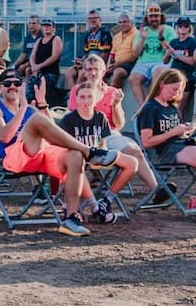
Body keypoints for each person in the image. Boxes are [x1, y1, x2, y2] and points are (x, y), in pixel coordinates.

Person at [0, 68, 118, 237]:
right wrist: (24, 107)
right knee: (37, 119)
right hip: (14, 157)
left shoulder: (31, 110)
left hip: (41, 154)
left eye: (16, 83)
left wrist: (42, 103)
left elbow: (54, 131)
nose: (12, 86)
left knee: (75, 156)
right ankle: (89, 152)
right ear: (0, 87)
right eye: (7, 83)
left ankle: (70, 218)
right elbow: (4, 136)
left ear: (22, 86)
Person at [137, 68, 196, 205]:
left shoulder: (171, 106)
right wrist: (174, 132)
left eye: (180, 90)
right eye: (174, 89)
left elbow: (176, 133)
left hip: (180, 144)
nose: (177, 94)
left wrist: (188, 129)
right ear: (162, 84)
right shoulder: (150, 108)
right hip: (164, 153)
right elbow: (147, 142)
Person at [59, 81, 137, 223]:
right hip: (77, 157)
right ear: (76, 99)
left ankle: (106, 200)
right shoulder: (69, 120)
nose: (86, 101)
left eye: (90, 97)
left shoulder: (100, 117)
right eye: (82, 97)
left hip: (98, 155)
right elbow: (64, 147)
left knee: (132, 162)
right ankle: (92, 206)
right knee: (78, 163)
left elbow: (103, 142)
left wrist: (102, 153)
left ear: (96, 99)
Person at [127, 5, 176, 108]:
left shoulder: (169, 30)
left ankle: (151, 105)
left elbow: (171, 51)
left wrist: (161, 37)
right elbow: (136, 54)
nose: (154, 19)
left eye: (156, 16)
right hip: (143, 62)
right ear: (147, 18)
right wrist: (142, 39)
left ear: (161, 17)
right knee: (133, 79)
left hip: (162, 61)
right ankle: (143, 108)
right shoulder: (142, 31)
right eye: (151, 16)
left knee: (157, 74)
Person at [162, 18, 196, 116]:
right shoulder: (174, 42)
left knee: (178, 108)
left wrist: (176, 54)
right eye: (180, 26)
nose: (183, 28)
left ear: (189, 28)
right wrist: (168, 54)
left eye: (185, 26)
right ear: (177, 28)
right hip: (173, 76)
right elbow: (165, 61)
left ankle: (177, 129)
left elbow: (193, 61)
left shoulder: (193, 42)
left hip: (187, 77)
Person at [27, 17, 63, 105]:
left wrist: (39, 66)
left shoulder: (56, 39)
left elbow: (54, 57)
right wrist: (34, 67)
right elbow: (32, 56)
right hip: (37, 72)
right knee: (29, 92)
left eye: (48, 26)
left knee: (44, 91)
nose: (46, 28)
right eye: (44, 26)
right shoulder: (39, 40)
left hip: (50, 73)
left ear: (53, 27)